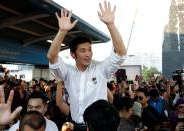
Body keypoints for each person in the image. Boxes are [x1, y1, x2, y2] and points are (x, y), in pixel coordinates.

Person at [47, 1, 127, 130]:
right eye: (83, 50)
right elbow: (52, 57)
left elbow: (121, 53)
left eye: (90, 49)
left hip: (99, 127)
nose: (88, 54)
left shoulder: (101, 70)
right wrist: (62, 31)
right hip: (76, 126)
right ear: (73, 55)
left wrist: (111, 25)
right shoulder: (68, 73)